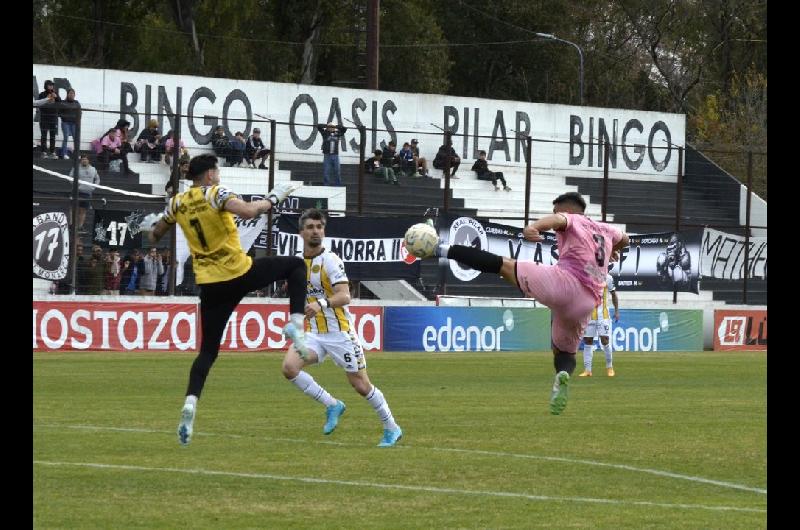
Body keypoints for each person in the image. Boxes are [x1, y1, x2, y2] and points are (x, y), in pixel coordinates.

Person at [142, 153, 310, 446]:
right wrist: (272, 199)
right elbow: (247, 211)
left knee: (207, 352)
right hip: (238, 272)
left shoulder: (177, 203)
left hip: (209, 285)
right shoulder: (214, 193)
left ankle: (191, 403)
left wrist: (149, 227)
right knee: (296, 265)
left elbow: (155, 236)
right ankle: (296, 323)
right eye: (216, 171)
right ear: (208, 175)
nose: (218, 175)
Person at [417, 191, 629, 415]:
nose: (555, 215)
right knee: (564, 352)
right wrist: (614, 248)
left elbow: (558, 220)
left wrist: (534, 227)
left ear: (566, 210)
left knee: (504, 265)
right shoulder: (606, 229)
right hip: (587, 302)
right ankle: (561, 377)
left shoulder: (571, 219)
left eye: (557, 210)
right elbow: (624, 238)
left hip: (565, 284)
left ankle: (438, 248)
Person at [281, 209, 403, 447]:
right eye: (310, 227)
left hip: (340, 334)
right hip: (315, 333)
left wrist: (321, 303)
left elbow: (345, 295)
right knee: (289, 368)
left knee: (360, 385)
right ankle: (332, 405)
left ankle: (392, 427)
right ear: (301, 232)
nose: (316, 231)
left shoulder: (331, 261)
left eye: (319, 226)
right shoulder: (296, 261)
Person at [578, 271, 619, 377]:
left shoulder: (608, 278)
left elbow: (613, 294)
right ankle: (588, 370)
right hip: (589, 315)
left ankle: (610, 368)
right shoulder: (585, 276)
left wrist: (616, 311)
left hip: (603, 316)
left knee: (605, 340)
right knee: (588, 341)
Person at [68, 155, 100, 233]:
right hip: (76, 192)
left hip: (87, 193)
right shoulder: (76, 168)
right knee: (73, 209)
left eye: (85, 159)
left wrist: (93, 187)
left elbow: (97, 179)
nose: (84, 161)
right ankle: (71, 225)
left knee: (83, 211)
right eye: (83, 159)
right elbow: (70, 177)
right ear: (80, 160)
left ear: (88, 160)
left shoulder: (93, 169)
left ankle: (80, 227)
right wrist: (76, 186)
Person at [37, 80, 61, 158]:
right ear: (46, 86)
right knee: (44, 136)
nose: (51, 87)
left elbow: (60, 103)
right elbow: (39, 104)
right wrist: (47, 99)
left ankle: (52, 152)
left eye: (52, 85)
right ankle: (43, 152)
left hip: (53, 118)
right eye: (49, 85)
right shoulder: (42, 94)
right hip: (44, 117)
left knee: (52, 136)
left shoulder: (55, 94)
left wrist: (56, 97)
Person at [58, 88, 80, 159]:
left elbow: (80, 113)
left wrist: (77, 120)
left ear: (74, 95)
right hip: (65, 123)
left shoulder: (77, 103)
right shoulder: (63, 102)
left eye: (73, 93)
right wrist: (65, 118)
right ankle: (64, 154)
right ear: (67, 94)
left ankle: (76, 154)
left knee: (76, 138)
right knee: (66, 138)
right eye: (70, 93)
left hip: (74, 123)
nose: (71, 95)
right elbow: (59, 113)